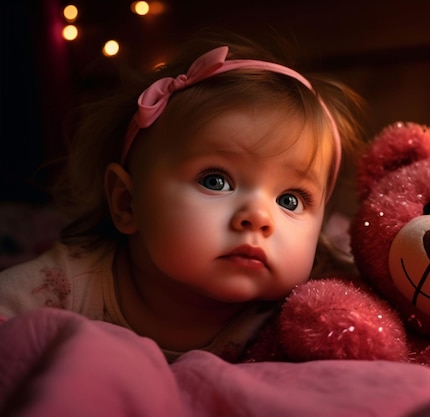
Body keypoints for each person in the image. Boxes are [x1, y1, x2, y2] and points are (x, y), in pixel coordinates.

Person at [0, 30, 368, 362]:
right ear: (128, 203)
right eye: (215, 181)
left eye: (290, 200)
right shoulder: (66, 283)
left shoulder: (305, 308)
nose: (258, 217)